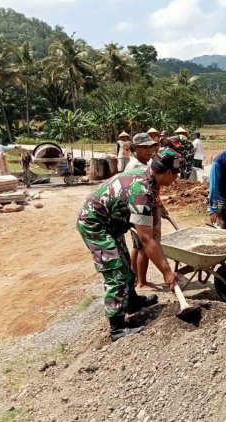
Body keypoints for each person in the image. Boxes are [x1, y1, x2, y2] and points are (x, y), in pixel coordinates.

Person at [76, 148, 182, 341]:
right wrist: (167, 271)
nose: (176, 180)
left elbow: (156, 203)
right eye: (176, 175)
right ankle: (117, 326)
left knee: (124, 261)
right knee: (115, 270)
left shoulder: (150, 177)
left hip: (111, 225)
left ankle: (131, 301)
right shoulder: (140, 191)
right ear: (168, 173)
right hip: (95, 224)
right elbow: (145, 240)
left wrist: (156, 225)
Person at [125, 133, 163, 291]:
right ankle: (142, 281)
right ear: (135, 149)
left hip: (138, 208)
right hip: (137, 210)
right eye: (144, 147)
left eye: (151, 146)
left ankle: (135, 277)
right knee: (143, 246)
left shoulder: (143, 163)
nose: (150, 150)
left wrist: (160, 206)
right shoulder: (135, 166)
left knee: (137, 245)